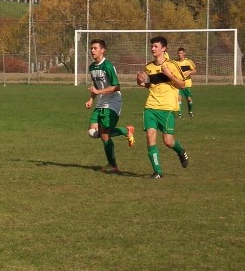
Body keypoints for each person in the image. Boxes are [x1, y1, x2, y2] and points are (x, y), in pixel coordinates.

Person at [136, 36, 189, 179]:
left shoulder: (172, 65)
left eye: (156, 46)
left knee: (167, 141)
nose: (153, 49)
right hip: (151, 107)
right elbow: (150, 85)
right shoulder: (149, 67)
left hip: (167, 108)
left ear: (163, 48)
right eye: (152, 46)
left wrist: (169, 75)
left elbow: (182, 85)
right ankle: (157, 171)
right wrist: (139, 81)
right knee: (150, 135)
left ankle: (181, 151)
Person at [84, 39, 135, 173]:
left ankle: (113, 166)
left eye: (95, 48)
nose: (92, 51)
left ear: (103, 50)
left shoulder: (107, 66)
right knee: (92, 133)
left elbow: (116, 86)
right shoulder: (92, 67)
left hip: (113, 102)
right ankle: (125, 131)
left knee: (104, 134)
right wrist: (91, 99)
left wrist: (98, 92)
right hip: (101, 102)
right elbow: (96, 86)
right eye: (91, 48)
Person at [176, 47, 197, 118]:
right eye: (178, 53)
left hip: (187, 84)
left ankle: (190, 112)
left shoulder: (188, 61)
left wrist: (189, 72)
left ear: (184, 54)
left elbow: (194, 70)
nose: (179, 55)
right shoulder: (176, 62)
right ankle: (179, 114)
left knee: (189, 99)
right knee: (179, 98)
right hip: (179, 83)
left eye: (181, 53)